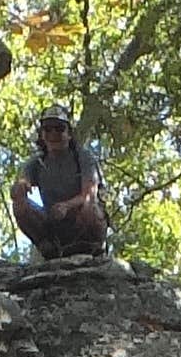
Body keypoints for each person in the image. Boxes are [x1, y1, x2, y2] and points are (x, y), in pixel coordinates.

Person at [11, 110, 110, 262]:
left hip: (82, 220)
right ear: (41, 135)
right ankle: (47, 246)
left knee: (90, 206)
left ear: (69, 134)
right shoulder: (36, 163)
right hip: (55, 224)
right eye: (47, 129)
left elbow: (89, 194)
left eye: (59, 129)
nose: (53, 134)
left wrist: (66, 206)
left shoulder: (83, 157)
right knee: (19, 204)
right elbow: (20, 186)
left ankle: (91, 246)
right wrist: (21, 186)